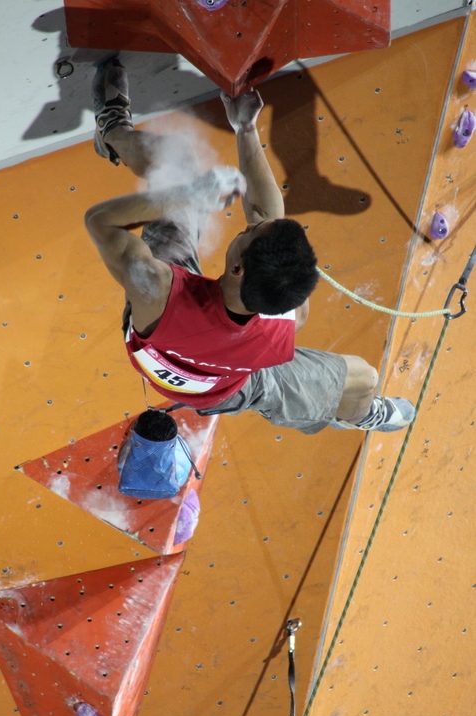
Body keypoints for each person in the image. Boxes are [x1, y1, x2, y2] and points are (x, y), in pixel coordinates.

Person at [84, 57, 415, 435]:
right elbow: (264, 212)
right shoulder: (285, 320)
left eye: (248, 233)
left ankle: (111, 128)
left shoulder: (157, 290)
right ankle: (359, 412)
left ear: (238, 268)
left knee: (178, 165)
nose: (248, 225)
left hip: (169, 334)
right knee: (364, 378)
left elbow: (100, 221)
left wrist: (184, 194)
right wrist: (245, 129)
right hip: (228, 385)